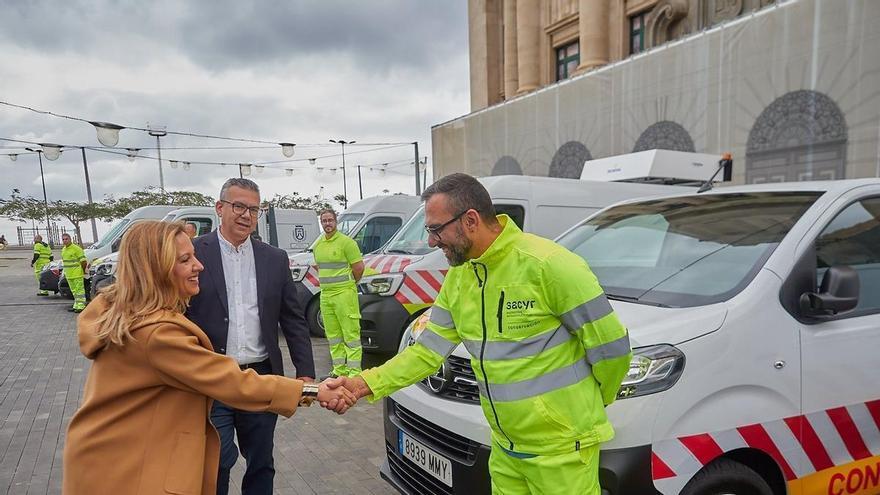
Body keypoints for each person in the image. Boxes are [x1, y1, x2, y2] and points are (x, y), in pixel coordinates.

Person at [326, 173, 632, 494]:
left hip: (562, 451)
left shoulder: (549, 265)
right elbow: (425, 353)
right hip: (504, 449)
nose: (431, 241)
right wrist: (361, 384)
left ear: (470, 220)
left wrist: (584, 409)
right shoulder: (460, 278)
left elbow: (613, 350)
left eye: (435, 229)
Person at [63, 221, 354, 494]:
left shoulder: (129, 312)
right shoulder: (156, 335)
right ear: (156, 269)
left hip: (117, 455)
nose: (199, 265)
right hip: (126, 468)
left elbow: (290, 321)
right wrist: (313, 390)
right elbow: (230, 381)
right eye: (185, 260)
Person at [186, 178, 317, 495]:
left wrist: (306, 374)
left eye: (254, 209)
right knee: (216, 462)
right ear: (220, 208)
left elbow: (293, 319)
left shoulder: (274, 257)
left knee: (261, 461)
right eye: (239, 206)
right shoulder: (195, 254)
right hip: (212, 378)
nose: (246, 215)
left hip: (260, 376)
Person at [313, 208, 365, 377]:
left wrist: (349, 285)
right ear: (321, 223)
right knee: (333, 336)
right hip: (326, 295)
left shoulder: (347, 243)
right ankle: (339, 371)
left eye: (330, 220)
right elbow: (320, 268)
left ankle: (354, 373)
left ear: (336, 221)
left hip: (344, 295)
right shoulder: (318, 245)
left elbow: (358, 268)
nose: (327, 223)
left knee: (351, 335)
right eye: (324, 221)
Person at [60, 233, 87, 313]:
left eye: (66, 239)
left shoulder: (77, 249)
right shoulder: (63, 249)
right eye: (63, 239)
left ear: (70, 239)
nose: (65, 241)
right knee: (74, 291)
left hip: (77, 274)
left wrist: (83, 270)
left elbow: (84, 262)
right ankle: (76, 305)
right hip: (69, 275)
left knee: (79, 291)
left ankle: (81, 306)